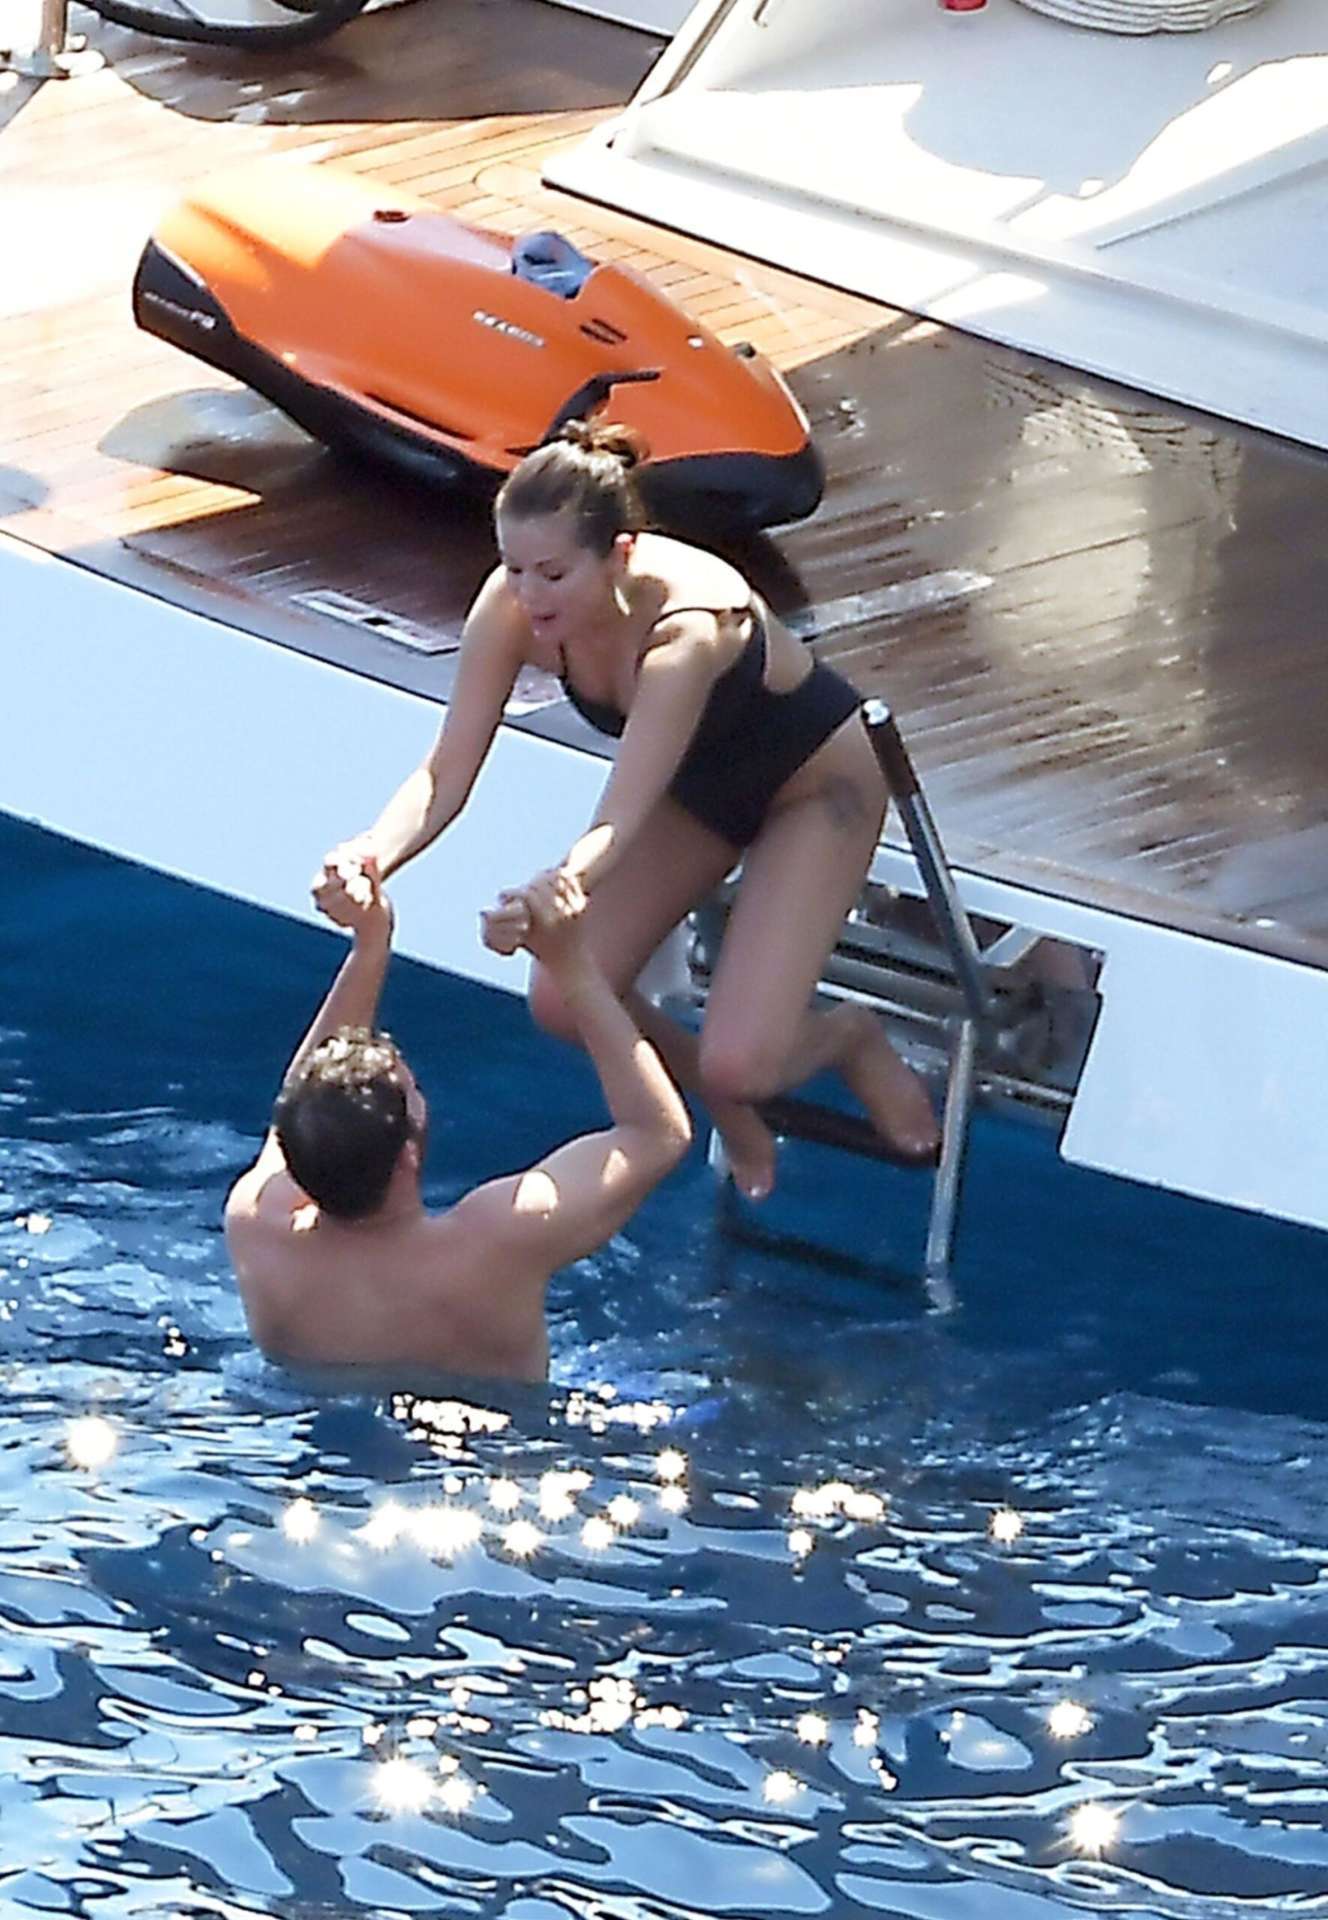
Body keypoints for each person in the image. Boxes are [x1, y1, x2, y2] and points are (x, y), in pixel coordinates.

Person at [321, 421, 939, 1202]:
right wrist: (372, 852)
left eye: (553, 574)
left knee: (740, 1064)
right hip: (695, 783)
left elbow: (616, 821)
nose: (529, 595)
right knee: (562, 998)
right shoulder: (512, 607)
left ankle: (847, 1036)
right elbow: (445, 771)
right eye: (514, 568)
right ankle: (719, 1101)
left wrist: (551, 893)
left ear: (619, 554)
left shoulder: (686, 631)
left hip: (814, 782)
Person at [224, 860, 691, 1382]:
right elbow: (657, 1133)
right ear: (408, 1154)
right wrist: (573, 967)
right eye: (414, 1092)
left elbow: (299, 1108)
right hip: (497, 1429)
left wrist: (369, 948)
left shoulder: (257, 1227)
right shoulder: (497, 1241)